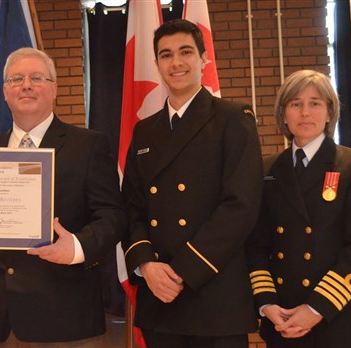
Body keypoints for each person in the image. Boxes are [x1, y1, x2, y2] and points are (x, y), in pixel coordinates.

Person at [0, 47, 126, 346]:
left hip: (68, 320)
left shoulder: (89, 145)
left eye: (37, 78)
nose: (25, 85)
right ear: (5, 92)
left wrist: (77, 247)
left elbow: (113, 217)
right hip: (3, 324)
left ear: (54, 89)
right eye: (16, 79)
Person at [121, 19, 263, 347]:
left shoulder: (234, 119)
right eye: (166, 55)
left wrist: (182, 271)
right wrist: (146, 264)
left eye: (186, 52)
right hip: (160, 296)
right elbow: (131, 206)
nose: (176, 62)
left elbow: (241, 206)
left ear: (203, 59)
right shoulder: (145, 131)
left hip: (213, 293)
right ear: (156, 64)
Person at [246, 69, 351, 347]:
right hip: (283, 319)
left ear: (329, 113)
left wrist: (315, 309)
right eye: (295, 104)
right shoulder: (266, 169)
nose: (305, 112)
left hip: (336, 320)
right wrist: (267, 304)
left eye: (315, 103)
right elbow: (257, 245)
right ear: (283, 115)